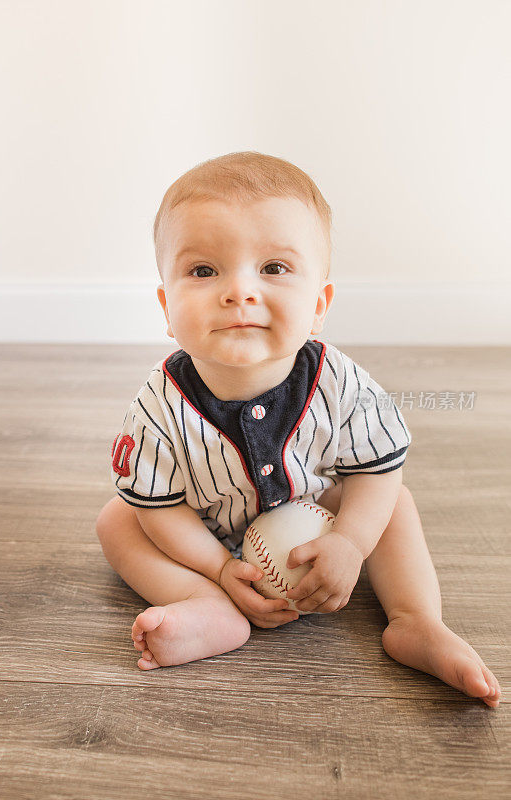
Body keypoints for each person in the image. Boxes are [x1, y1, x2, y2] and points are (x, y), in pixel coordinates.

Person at [96, 151, 500, 707]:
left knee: (394, 501)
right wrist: (217, 564)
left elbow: (376, 470)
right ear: (167, 307)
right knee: (118, 521)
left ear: (319, 304)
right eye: (203, 270)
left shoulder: (338, 380)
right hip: (203, 529)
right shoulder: (159, 404)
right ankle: (207, 604)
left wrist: (351, 542)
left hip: (313, 513)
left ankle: (415, 620)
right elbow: (159, 507)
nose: (239, 291)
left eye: (274, 268)